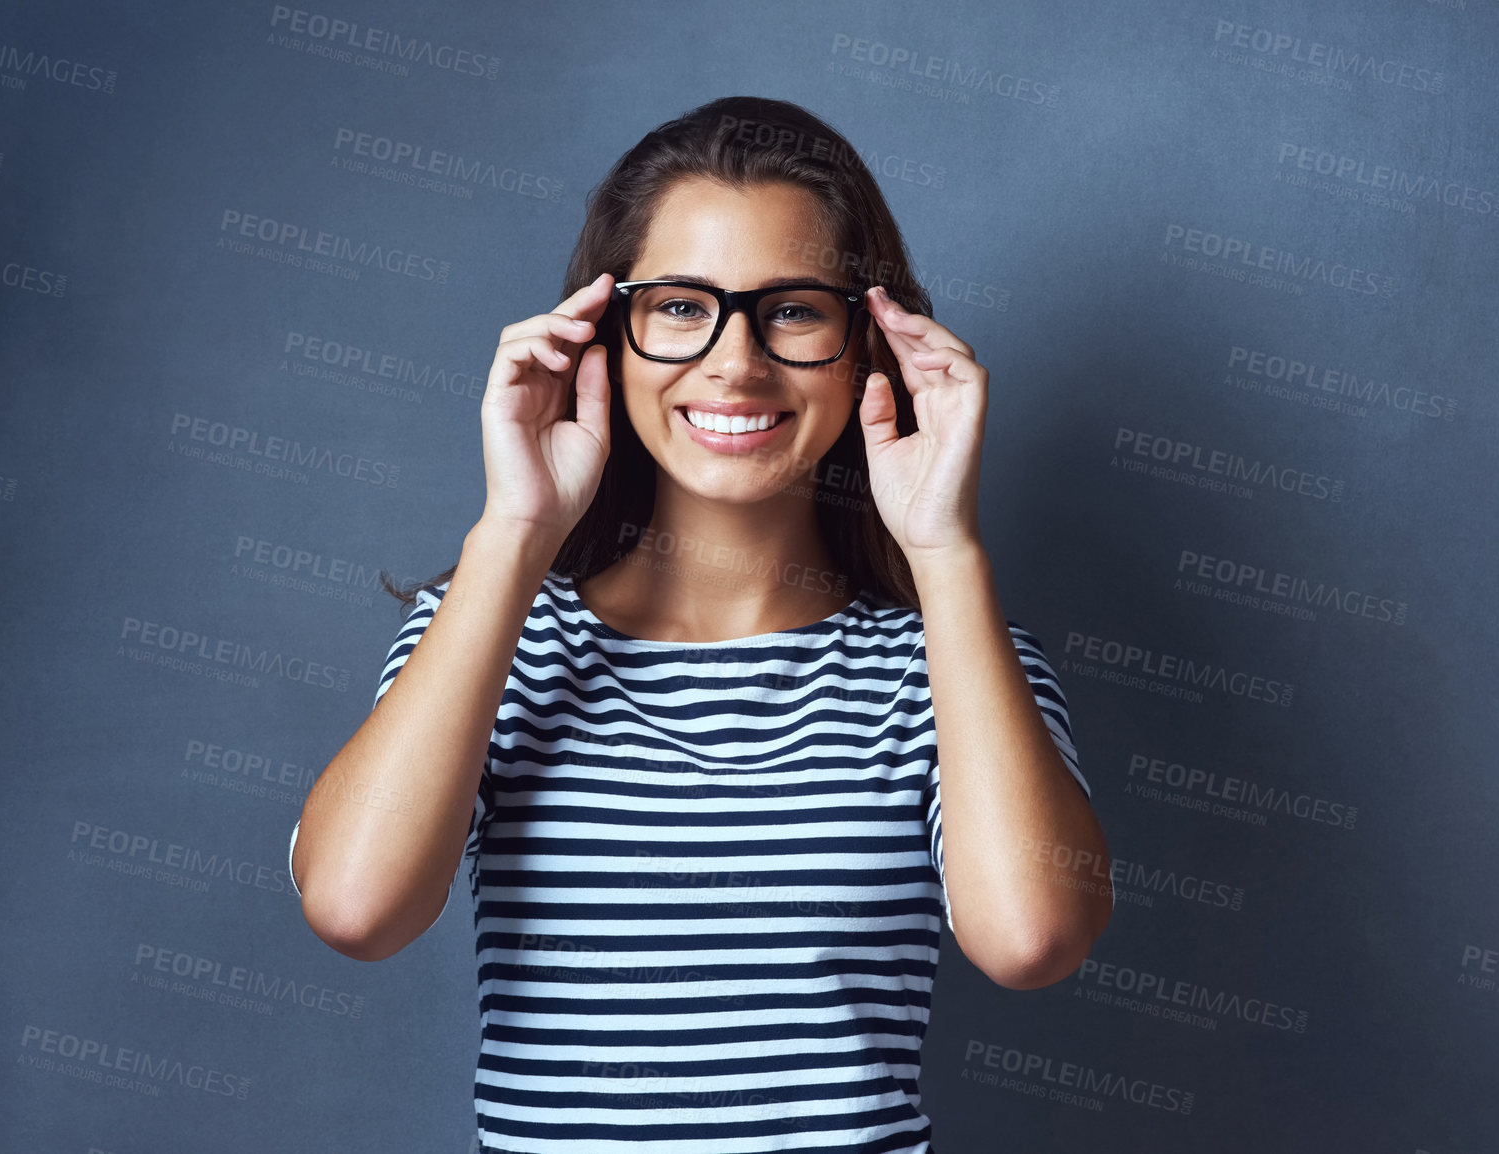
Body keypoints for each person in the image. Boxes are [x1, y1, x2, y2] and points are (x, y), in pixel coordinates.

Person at [287, 94, 1112, 1154]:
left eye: (794, 309)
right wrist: (516, 530)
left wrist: (944, 554)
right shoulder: (491, 634)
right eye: (680, 306)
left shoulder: (948, 665)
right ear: (600, 336)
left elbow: (1035, 940)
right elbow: (357, 908)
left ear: (869, 341)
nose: (735, 362)